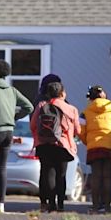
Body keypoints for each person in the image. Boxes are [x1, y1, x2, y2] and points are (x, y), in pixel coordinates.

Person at [0, 59, 33, 213]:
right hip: (9, 132)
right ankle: (1, 203)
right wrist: (14, 117)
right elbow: (29, 107)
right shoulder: (12, 90)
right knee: (2, 166)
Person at [31, 82, 80, 212]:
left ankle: (50, 204)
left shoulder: (41, 106)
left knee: (48, 173)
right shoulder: (71, 109)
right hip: (62, 145)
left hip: (44, 144)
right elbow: (78, 130)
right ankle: (61, 205)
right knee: (61, 175)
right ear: (62, 93)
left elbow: (33, 125)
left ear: (48, 93)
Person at [79, 85, 111, 214]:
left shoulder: (85, 112)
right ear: (104, 95)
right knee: (107, 177)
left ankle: (95, 207)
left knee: (96, 177)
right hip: (110, 147)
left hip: (94, 148)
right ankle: (108, 208)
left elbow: (80, 130)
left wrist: (88, 142)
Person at [33, 73, 62, 211]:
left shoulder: (39, 102)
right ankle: (58, 203)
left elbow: (32, 124)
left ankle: (45, 202)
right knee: (59, 173)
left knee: (45, 171)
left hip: (41, 142)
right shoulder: (63, 104)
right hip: (59, 143)